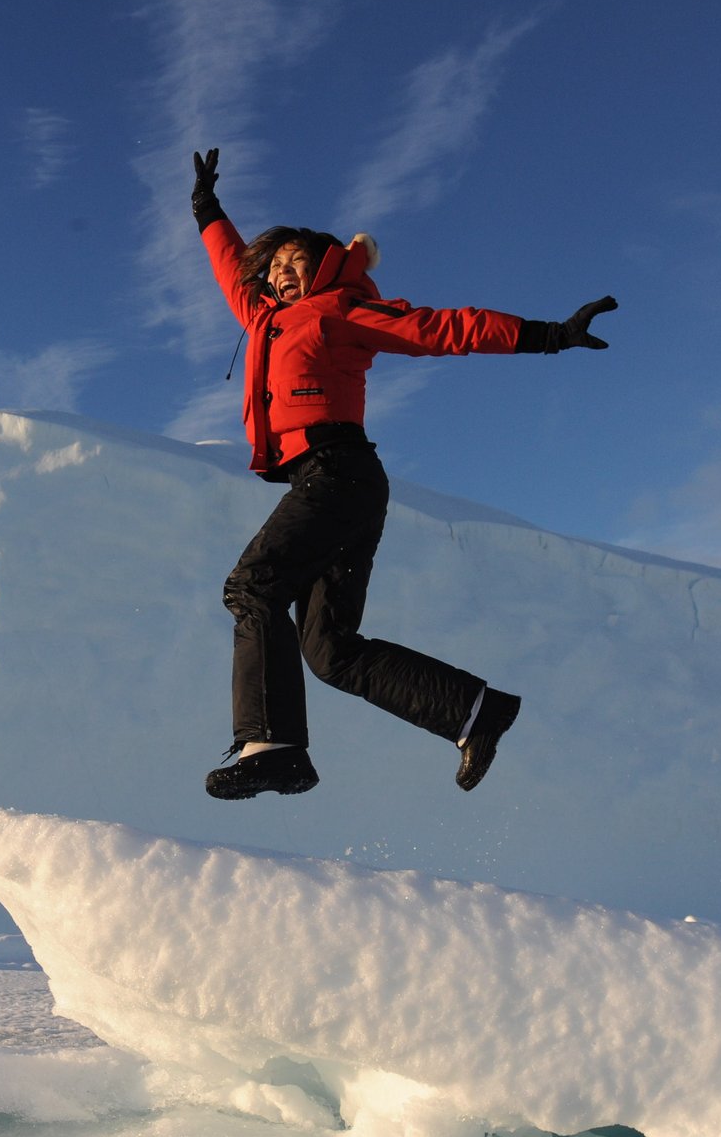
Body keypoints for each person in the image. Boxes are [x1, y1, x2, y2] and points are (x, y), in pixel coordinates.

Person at [190, 147, 616, 800]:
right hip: (330, 484)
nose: (280, 275)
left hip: (339, 474)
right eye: (273, 269)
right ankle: (473, 710)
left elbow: (440, 327)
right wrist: (207, 207)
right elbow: (230, 272)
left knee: (253, 587)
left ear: (324, 260)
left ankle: (272, 746)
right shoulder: (266, 321)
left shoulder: (339, 307)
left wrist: (548, 334)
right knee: (328, 651)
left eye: (293, 261)